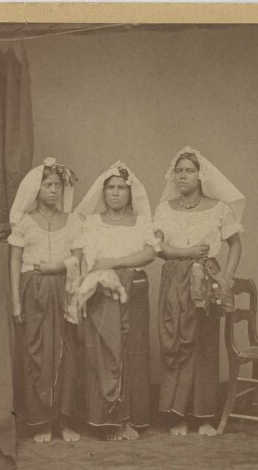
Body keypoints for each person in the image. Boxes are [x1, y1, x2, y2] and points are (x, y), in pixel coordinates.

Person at [154, 146, 245, 437]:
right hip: (173, 279)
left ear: (200, 175)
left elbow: (236, 245)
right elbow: (160, 248)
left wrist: (226, 279)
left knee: (204, 344)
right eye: (178, 171)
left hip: (206, 280)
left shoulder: (219, 208)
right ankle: (178, 416)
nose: (183, 176)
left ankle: (204, 415)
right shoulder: (164, 209)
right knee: (177, 342)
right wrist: (188, 251)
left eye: (189, 170)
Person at [75, 161, 160, 441]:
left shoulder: (141, 221)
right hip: (102, 291)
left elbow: (148, 254)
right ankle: (107, 421)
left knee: (132, 351)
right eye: (110, 188)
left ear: (129, 192)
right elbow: (88, 258)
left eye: (121, 188)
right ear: (104, 192)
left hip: (133, 289)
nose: (115, 193)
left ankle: (130, 420)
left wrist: (115, 261)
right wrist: (106, 271)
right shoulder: (92, 223)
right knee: (105, 349)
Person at [9, 157, 82, 443]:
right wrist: (16, 301)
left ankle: (63, 421)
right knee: (36, 354)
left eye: (58, 185)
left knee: (66, 354)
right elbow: (15, 262)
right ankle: (41, 423)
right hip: (33, 296)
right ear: (35, 189)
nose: (54, 190)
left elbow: (78, 257)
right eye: (48, 185)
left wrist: (59, 267)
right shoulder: (24, 222)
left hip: (64, 292)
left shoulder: (73, 221)